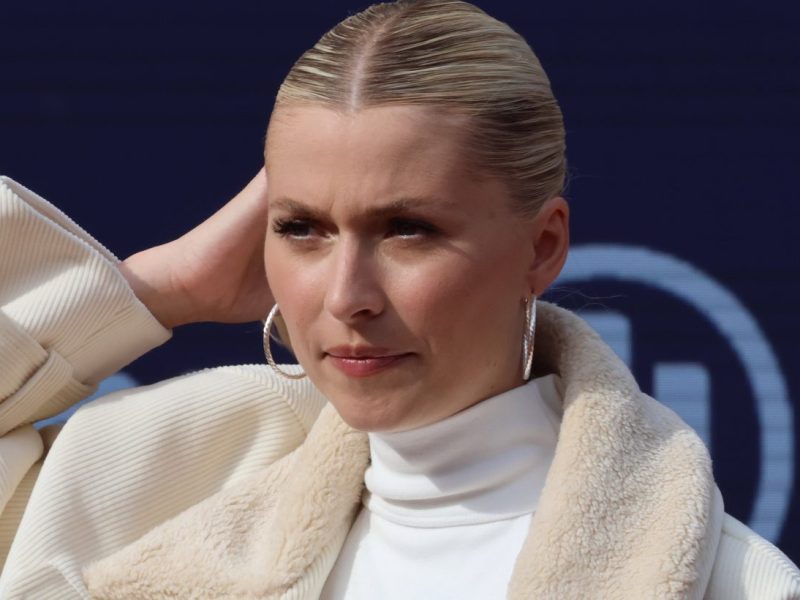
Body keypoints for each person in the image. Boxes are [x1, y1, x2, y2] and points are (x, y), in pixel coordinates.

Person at [0, 0, 798, 598]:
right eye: (302, 228)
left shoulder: (735, 584)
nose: (346, 295)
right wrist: (161, 288)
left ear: (543, 246)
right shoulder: (159, 491)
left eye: (408, 229)